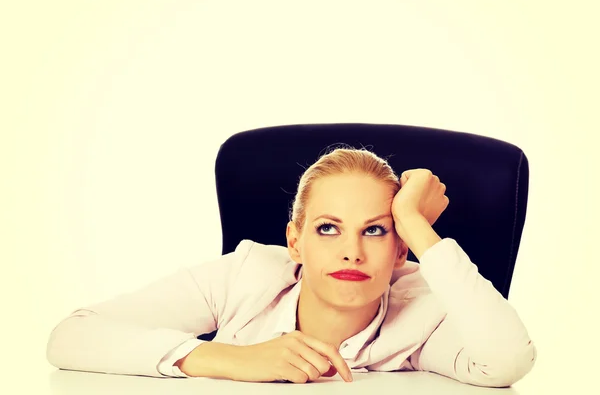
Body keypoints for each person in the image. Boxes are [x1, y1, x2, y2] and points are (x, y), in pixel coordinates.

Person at [46, 147, 537, 387]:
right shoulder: (246, 274)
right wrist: (235, 359)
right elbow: (71, 337)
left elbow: (508, 360)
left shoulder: (422, 311)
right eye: (328, 228)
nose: (352, 253)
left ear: (401, 250)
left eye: (375, 230)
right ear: (294, 242)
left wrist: (415, 223)